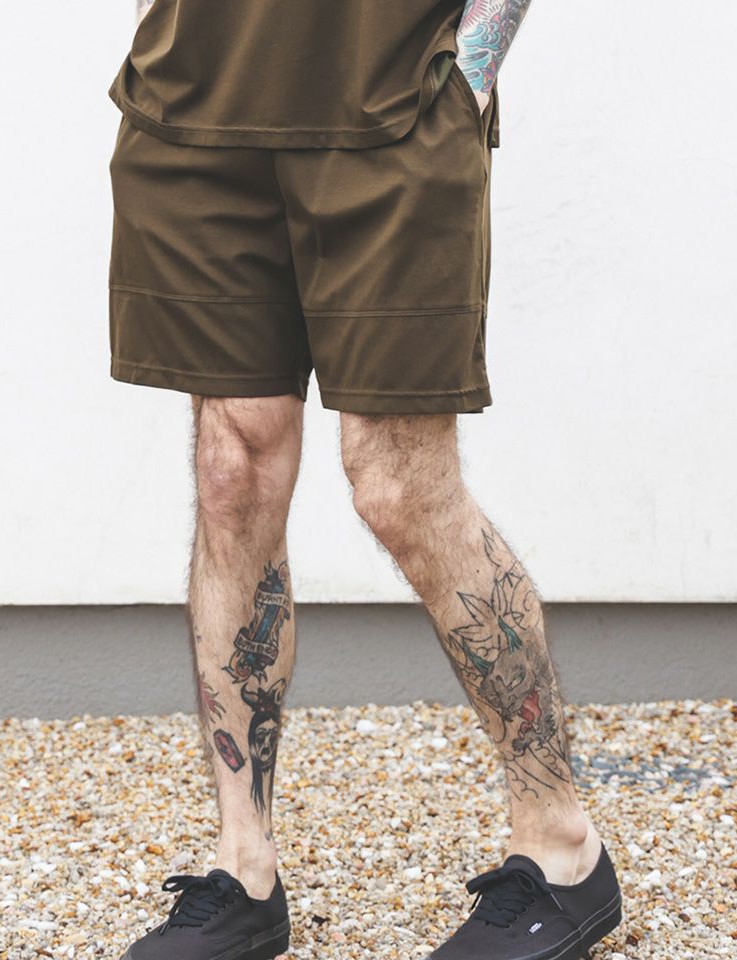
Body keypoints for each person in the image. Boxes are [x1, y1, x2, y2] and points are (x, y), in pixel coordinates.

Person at [106, 1, 622, 958]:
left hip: (393, 107)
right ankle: (244, 869)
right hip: (192, 102)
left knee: (399, 486)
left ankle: (563, 848)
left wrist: (471, 71)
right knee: (232, 470)